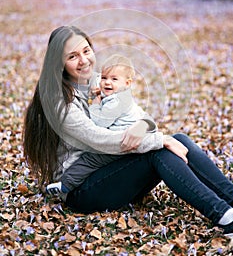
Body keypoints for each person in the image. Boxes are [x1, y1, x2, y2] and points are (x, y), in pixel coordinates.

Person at [23, 25, 233, 235]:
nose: (84, 60)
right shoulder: (60, 102)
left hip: (111, 168)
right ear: (58, 63)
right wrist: (159, 140)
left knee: (179, 139)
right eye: (73, 56)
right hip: (81, 188)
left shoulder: (100, 80)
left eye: (86, 51)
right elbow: (99, 139)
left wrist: (144, 126)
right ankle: (223, 216)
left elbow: (139, 115)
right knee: (158, 151)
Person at [46, 53, 160, 196]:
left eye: (114, 79)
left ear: (127, 83)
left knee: (89, 160)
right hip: (121, 140)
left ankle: (66, 184)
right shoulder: (121, 95)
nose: (107, 82)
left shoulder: (116, 101)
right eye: (104, 78)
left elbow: (99, 122)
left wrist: (95, 103)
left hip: (122, 143)